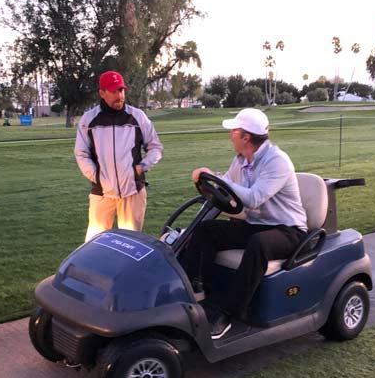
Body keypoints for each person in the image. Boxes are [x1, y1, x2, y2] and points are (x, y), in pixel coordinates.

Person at [180, 108, 307, 339]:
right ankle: (195, 288)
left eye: (234, 131)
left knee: (258, 244)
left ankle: (228, 312)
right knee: (206, 230)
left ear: (245, 137)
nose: (231, 135)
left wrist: (217, 179)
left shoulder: (277, 161)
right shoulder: (241, 160)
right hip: (258, 223)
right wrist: (207, 180)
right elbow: (227, 184)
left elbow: (253, 197)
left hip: (288, 229)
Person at [75, 71, 163, 241]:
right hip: (102, 192)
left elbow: (155, 147)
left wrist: (141, 168)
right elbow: (81, 153)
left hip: (132, 191)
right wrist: (96, 176)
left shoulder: (137, 117)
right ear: (102, 93)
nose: (119, 95)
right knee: (95, 243)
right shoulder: (89, 120)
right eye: (114, 91)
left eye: (121, 90)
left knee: (131, 244)